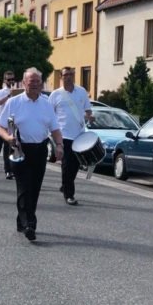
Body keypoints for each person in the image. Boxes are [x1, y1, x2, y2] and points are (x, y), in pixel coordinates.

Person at [0, 68, 63, 241]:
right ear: (24, 83)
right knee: (24, 186)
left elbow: (55, 127)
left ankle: (22, 220)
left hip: (40, 150)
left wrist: (60, 145)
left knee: (34, 188)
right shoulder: (14, 102)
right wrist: (8, 137)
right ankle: (29, 224)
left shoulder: (46, 103)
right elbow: (1, 126)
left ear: (41, 84)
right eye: (31, 81)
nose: (34, 84)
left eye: (37, 82)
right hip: (20, 148)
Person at [50, 66, 94, 205]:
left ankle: (65, 185)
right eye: (66, 74)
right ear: (61, 77)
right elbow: (49, 114)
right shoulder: (55, 94)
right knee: (67, 165)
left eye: (71, 74)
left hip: (79, 134)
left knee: (75, 165)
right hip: (63, 135)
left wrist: (89, 117)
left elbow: (88, 110)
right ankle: (69, 194)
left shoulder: (81, 92)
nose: (68, 76)